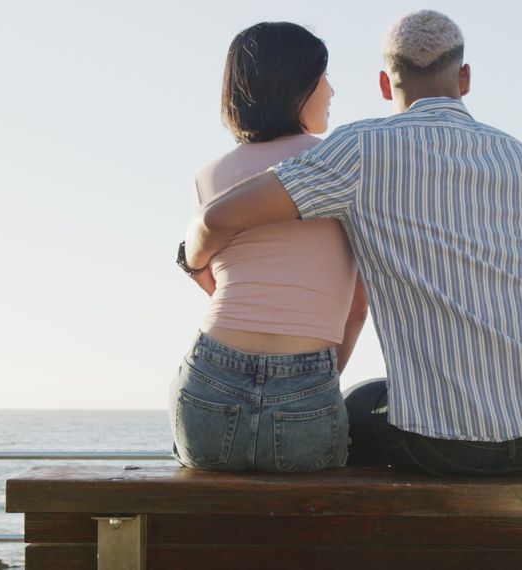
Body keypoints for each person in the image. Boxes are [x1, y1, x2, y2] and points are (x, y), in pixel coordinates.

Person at [183, 10, 522, 477]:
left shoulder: (360, 150)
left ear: (384, 83)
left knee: (358, 405)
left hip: (441, 445)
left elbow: (219, 216)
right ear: (465, 77)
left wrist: (192, 263)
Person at [171, 22, 367, 472]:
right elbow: (356, 308)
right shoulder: (340, 168)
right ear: (296, 85)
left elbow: (214, 283)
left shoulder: (208, 176)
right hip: (307, 379)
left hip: (208, 380)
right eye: (323, 76)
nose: (332, 90)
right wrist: (311, 382)